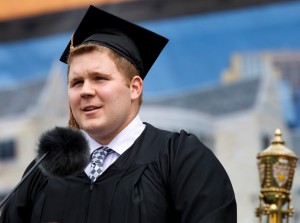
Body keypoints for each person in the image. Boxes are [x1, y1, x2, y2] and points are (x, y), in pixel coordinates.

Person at [0, 5, 237, 223]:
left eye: (99, 78)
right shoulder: (45, 169)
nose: (85, 91)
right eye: (76, 82)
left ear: (134, 87)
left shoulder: (182, 159)